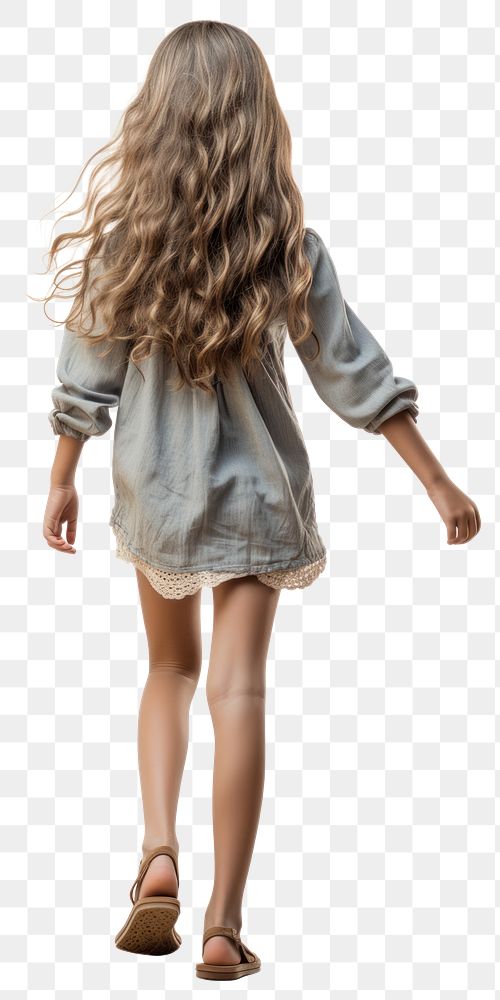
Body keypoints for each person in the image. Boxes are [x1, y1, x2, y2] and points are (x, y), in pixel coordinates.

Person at [41, 20, 481, 981]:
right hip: (259, 503)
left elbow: (87, 375)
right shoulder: (286, 249)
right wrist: (437, 480)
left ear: (158, 121)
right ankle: (223, 926)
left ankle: (158, 853)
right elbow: (353, 372)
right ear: (257, 121)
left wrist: (63, 474)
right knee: (240, 691)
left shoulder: (131, 245)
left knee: (169, 674)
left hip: (155, 495)